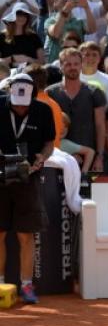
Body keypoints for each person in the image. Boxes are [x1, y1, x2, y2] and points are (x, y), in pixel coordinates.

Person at [0, 73, 55, 304]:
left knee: (25, 235)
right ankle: (2, 285)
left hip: (28, 177)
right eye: (16, 105)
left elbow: (50, 142)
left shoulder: (43, 110)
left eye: (25, 106)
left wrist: (42, 157)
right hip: (0, 177)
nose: (20, 109)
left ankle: (26, 285)